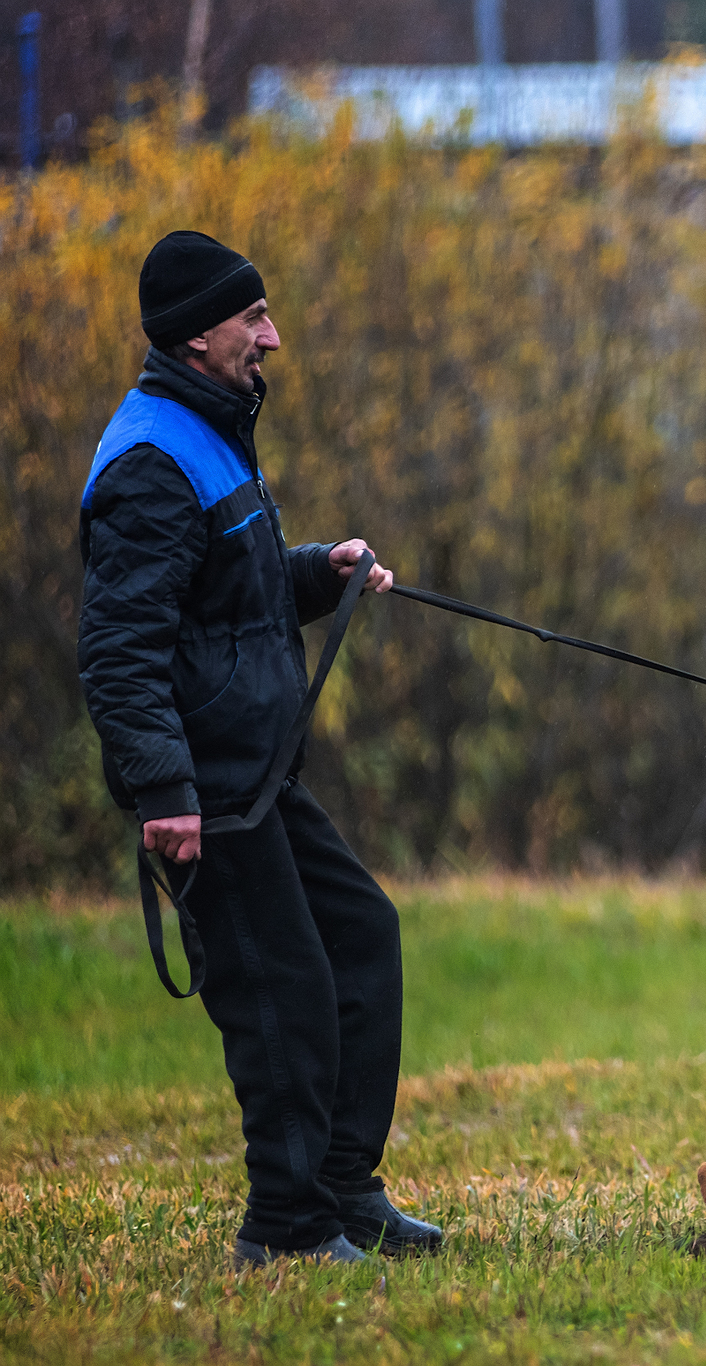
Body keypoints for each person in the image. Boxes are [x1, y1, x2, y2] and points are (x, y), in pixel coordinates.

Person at [77, 231, 441, 1267]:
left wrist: (318, 572)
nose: (271, 338)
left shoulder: (207, 428)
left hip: (257, 772)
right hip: (209, 791)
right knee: (283, 992)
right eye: (254, 318)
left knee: (360, 936)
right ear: (200, 333)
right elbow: (118, 649)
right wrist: (163, 789)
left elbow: (226, 598)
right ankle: (283, 1229)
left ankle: (341, 1190)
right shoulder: (149, 461)